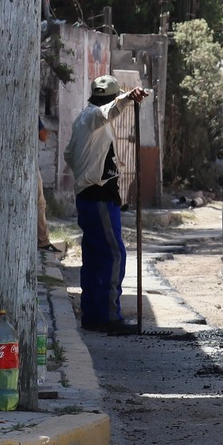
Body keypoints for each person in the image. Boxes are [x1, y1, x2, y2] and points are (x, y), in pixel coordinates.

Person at [67, 74, 148, 333]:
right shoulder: (93, 117)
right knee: (114, 254)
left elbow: (69, 154)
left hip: (90, 194)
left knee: (93, 254)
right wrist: (127, 98)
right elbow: (108, 111)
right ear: (112, 98)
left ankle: (92, 314)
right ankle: (109, 315)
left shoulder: (83, 120)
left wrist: (84, 171)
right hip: (98, 195)